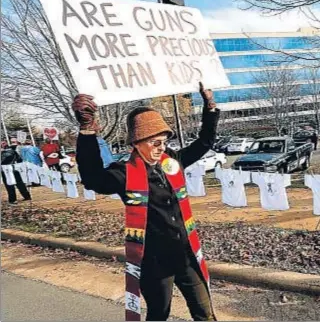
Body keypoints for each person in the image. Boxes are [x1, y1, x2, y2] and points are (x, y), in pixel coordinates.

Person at [74, 82, 219, 321]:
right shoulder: (124, 173)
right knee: (158, 314)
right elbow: (92, 178)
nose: (161, 148)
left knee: (205, 314)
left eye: (164, 142)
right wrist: (87, 129)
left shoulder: (172, 161)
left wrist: (210, 106)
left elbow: (205, 142)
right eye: (155, 143)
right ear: (137, 143)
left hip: (187, 255)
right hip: (154, 262)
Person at [1, 138, 32, 204]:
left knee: (10, 185)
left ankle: (13, 200)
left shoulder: (7, 151)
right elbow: (19, 160)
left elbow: (19, 160)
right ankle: (27, 196)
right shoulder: (12, 150)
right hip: (13, 168)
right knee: (19, 184)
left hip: (6, 170)